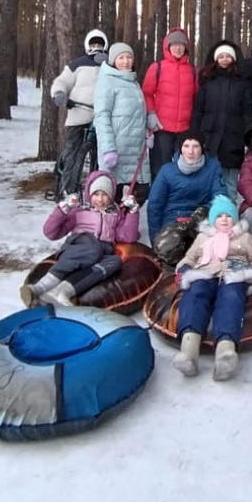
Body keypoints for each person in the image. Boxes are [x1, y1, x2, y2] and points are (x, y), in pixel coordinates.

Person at [171, 194, 252, 381]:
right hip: (205, 272)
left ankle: (225, 350)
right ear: (212, 220)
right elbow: (189, 258)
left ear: (235, 219)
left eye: (229, 216)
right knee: (195, 294)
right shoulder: (202, 237)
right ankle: (189, 349)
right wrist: (184, 269)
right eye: (219, 216)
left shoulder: (244, 238)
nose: (224, 219)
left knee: (231, 299)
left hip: (233, 274)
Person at [21, 170, 140, 307]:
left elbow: (128, 237)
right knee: (93, 247)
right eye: (96, 194)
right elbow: (50, 233)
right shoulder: (80, 212)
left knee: (115, 261)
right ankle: (39, 287)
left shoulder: (115, 214)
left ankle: (62, 291)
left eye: (105, 195)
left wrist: (133, 212)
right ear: (89, 194)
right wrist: (63, 209)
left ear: (111, 196)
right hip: (79, 246)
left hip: (100, 253)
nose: (100, 199)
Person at [191, 40, 252, 201]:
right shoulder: (207, 82)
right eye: (221, 56)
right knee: (207, 181)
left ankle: (229, 213)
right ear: (216, 59)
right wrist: (195, 134)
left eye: (228, 56)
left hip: (233, 140)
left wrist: (247, 137)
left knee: (230, 183)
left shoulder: (242, 83)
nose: (224, 59)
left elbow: (247, 112)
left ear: (233, 59)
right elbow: (198, 111)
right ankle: (207, 213)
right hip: (209, 139)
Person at [50, 28, 108, 197]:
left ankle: (98, 191)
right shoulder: (77, 64)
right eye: (93, 44)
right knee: (71, 153)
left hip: (102, 117)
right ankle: (67, 190)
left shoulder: (109, 65)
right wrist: (60, 94)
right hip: (78, 113)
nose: (96, 47)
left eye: (99, 44)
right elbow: (62, 81)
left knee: (101, 156)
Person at [93, 42, 151, 203]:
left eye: (129, 57)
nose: (126, 61)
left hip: (135, 151)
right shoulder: (106, 82)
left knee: (138, 195)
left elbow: (137, 114)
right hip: (116, 151)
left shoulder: (133, 82)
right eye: (121, 58)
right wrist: (108, 149)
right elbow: (101, 117)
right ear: (113, 61)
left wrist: (147, 132)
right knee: (113, 196)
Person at [142, 27, 198, 180]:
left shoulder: (192, 71)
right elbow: (147, 93)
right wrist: (151, 114)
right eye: (174, 45)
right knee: (160, 168)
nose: (178, 48)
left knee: (183, 168)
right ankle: (159, 192)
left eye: (181, 45)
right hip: (162, 128)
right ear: (168, 47)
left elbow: (196, 97)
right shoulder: (157, 67)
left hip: (184, 129)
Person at [147, 131, 227, 235]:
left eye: (195, 146)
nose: (190, 151)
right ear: (180, 148)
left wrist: (205, 211)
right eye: (186, 146)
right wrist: (156, 237)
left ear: (202, 148)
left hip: (203, 220)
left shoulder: (212, 168)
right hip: (173, 220)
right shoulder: (167, 170)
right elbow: (155, 204)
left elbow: (220, 196)